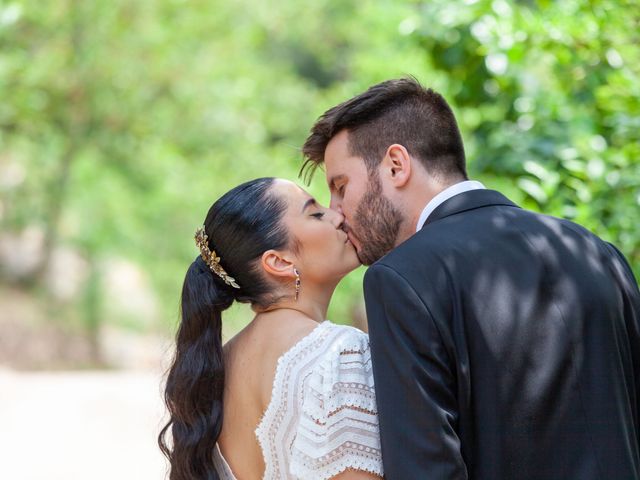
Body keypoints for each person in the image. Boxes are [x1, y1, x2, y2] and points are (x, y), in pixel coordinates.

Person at [301, 77, 640, 479]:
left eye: (340, 187)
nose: (337, 211)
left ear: (396, 165)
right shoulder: (597, 252)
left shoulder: (401, 279)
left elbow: (424, 469)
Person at [158, 177, 384, 480]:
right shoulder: (338, 352)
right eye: (315, 214)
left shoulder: (217, 365)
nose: (338, 215)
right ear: (279, 261)